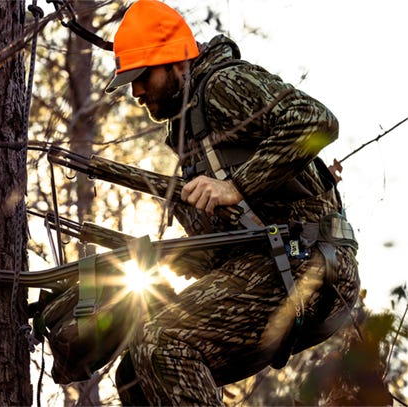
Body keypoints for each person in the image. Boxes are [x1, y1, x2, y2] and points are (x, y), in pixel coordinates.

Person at [106, 0, 360, 405]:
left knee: (163, 343)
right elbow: (225, 247)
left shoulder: (223, 85)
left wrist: (236, 186)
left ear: (175, 62)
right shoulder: (188, 131)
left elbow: (317, 120)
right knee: (137, 375)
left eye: (142, 76)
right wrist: (159, 258)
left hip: (309, 258)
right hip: (267, 261)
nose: (136, 92)